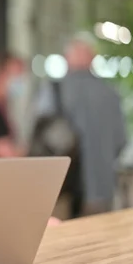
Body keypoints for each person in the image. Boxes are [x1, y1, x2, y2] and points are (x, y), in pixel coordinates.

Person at [35, 36, 127, 216]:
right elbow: (121, 141)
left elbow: (37, 137)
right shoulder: (110, 93)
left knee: (62, 241)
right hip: (102, 189)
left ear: (67, 58)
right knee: (99, 241)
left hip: (62, 189)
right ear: (92, 60)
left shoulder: (53, 91)